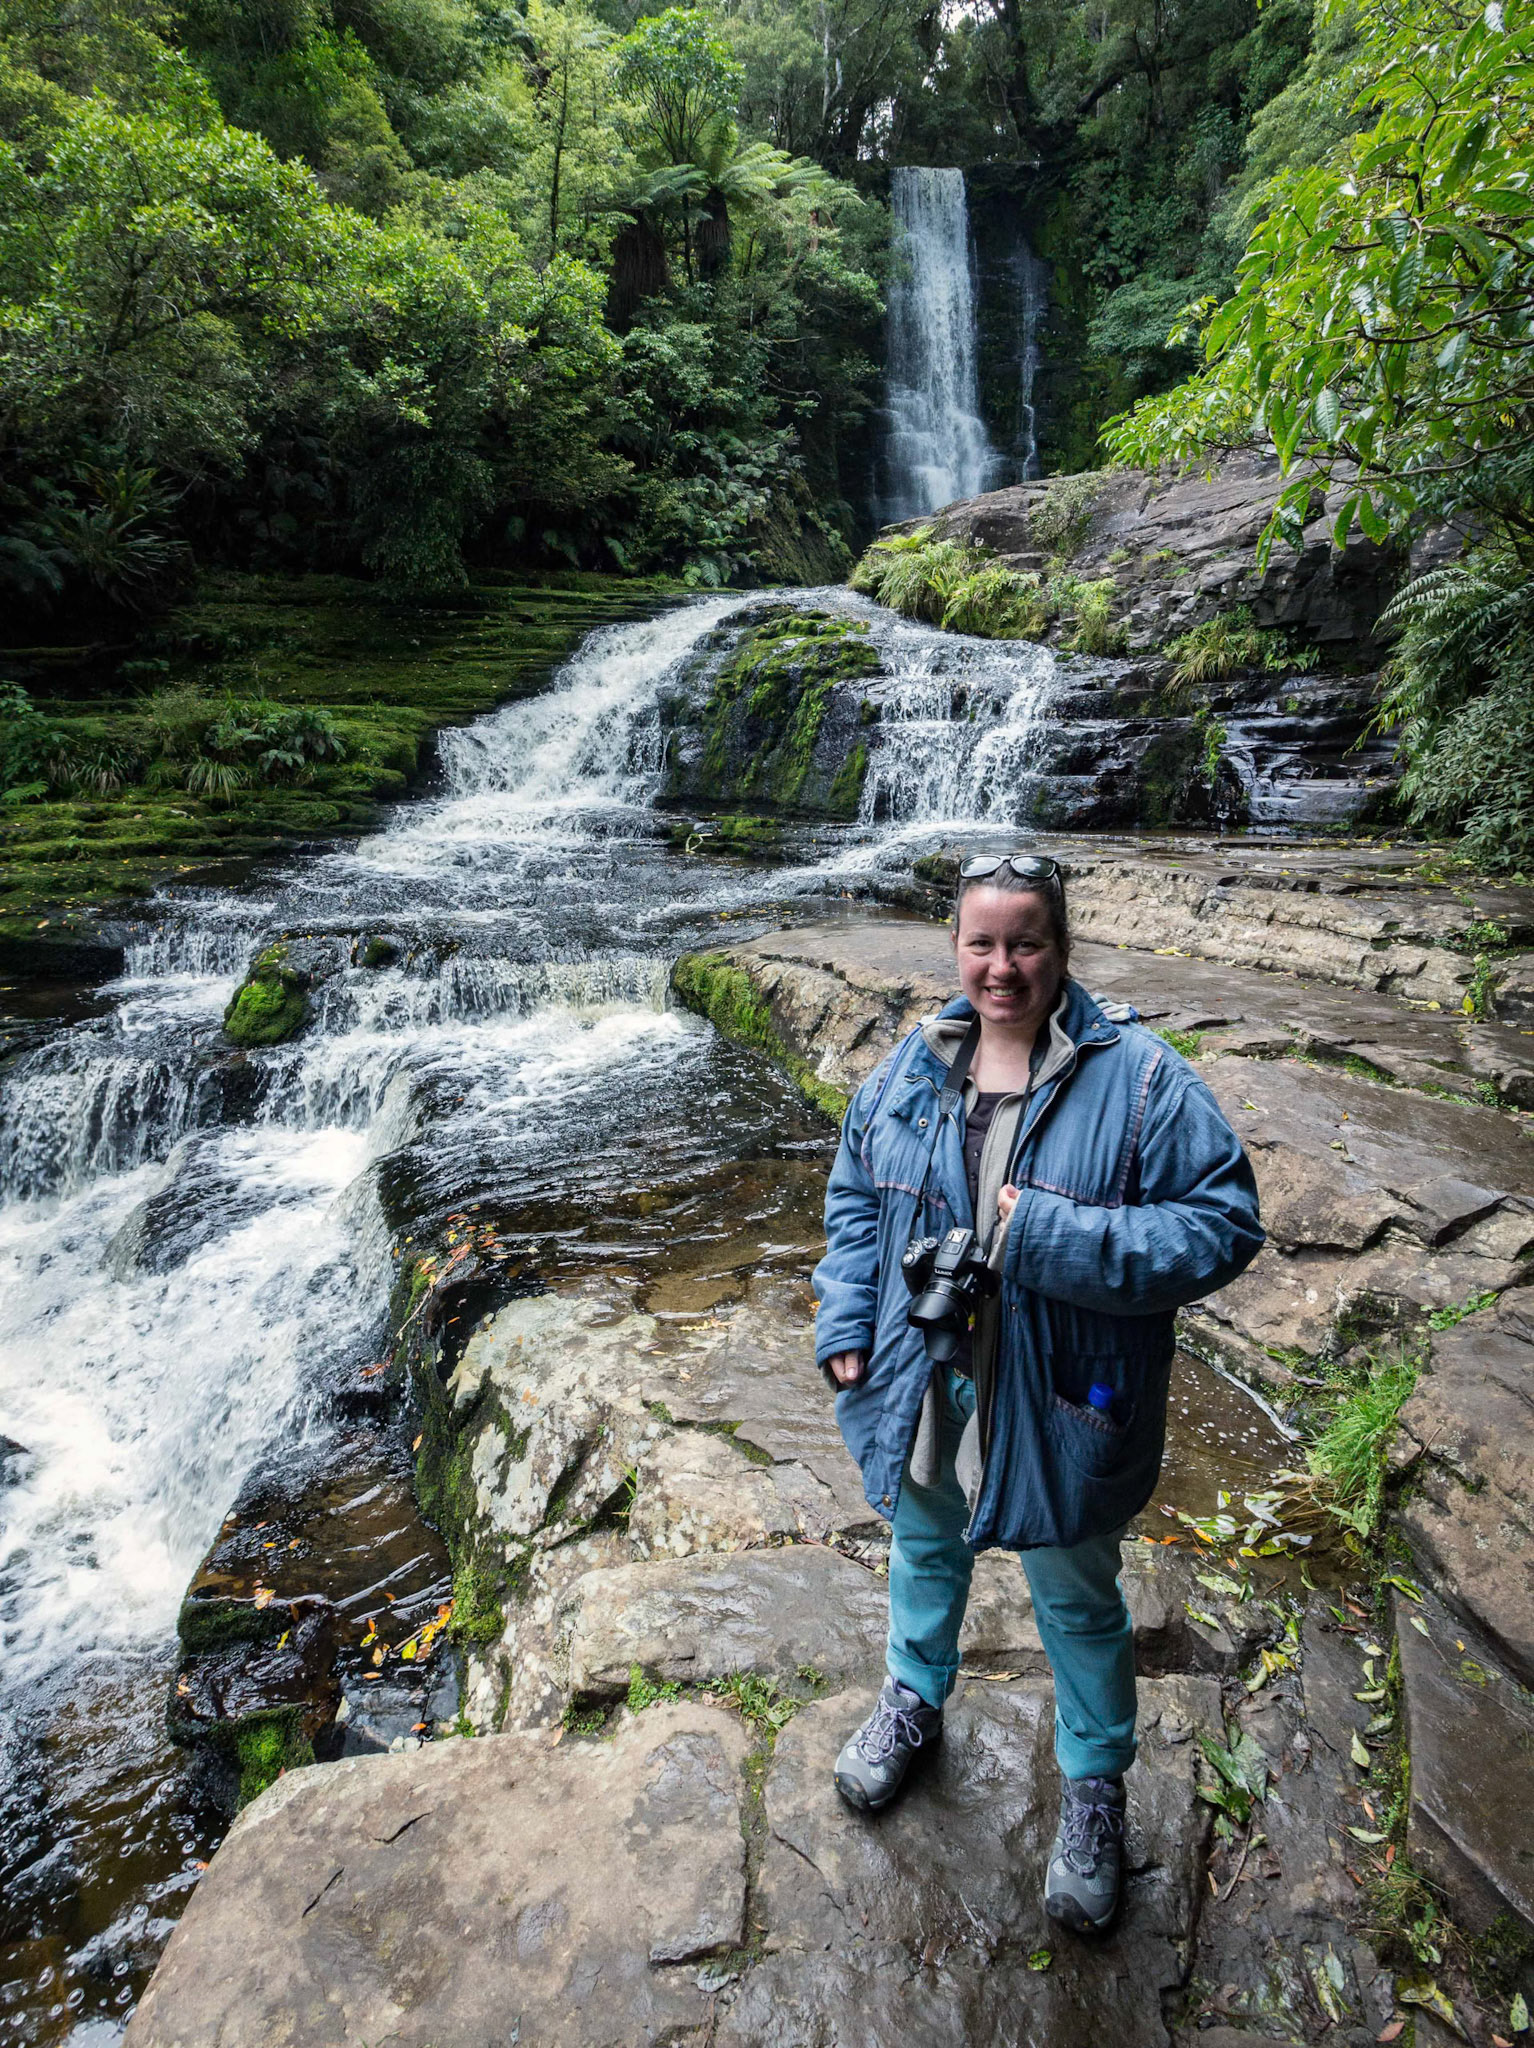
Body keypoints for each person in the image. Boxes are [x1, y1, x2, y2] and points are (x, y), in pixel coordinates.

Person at [813, 852, 1263, 1934]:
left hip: (1065, 1389)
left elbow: (1222, 1224)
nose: (1001, 965)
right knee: (923, 1542)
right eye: (981, 942)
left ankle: (1096, 1785)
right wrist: (842, 1314)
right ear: (954, 947)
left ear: (1061, 950)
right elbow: (853, 1197)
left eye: (1024, 942)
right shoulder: (911, 1065)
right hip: (926, 1371)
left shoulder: (1143, 1078)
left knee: (1075, 1591)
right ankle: (913, 1702)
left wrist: (1045, 1236)